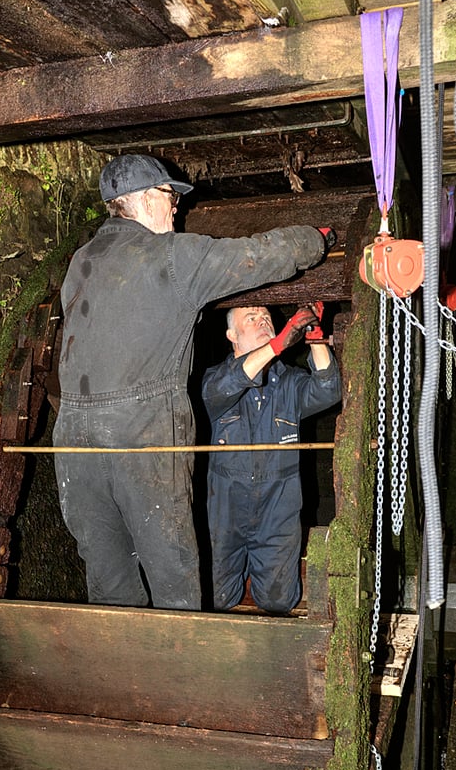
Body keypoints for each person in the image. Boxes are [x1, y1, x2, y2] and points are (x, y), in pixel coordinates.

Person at [52, 153, 330, 611]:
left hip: (72, 447)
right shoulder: (172, 256)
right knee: (174, 576)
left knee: (108, 581)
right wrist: (315, 241)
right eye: (168, 196)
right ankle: (183, 676)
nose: (175, 207)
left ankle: (127, 673)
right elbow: (259, 256)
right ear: (142, 200)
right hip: (143, 441)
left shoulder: (81, 262)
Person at [202, 301, 341, 614]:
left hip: (278, 508)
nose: (262, 319)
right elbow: (231, 382)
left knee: (279, 601)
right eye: (250, 317)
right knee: (218, 599)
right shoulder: (213, 380)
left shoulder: (289, 383)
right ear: (231, 335)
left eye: (266, 316)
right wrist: (279, 344)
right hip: (225, 510)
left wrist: (315, 336)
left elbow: (329, 389)